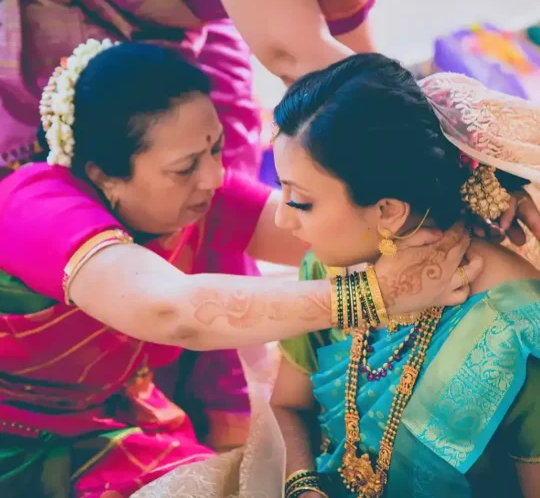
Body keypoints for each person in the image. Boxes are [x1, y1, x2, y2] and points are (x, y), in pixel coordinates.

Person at [0, 40, 482, 498]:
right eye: (186, 166)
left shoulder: (194, 199)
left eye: (215, 149)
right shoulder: (37, 206)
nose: (214, 177)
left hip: (110, 424)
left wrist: (471, 203)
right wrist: (376, 294)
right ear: (104, 176)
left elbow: (338, 227)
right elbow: (170, 310)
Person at [1, 0, 540, 254]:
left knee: (220, 179)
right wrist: (465, 160)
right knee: (101, 203)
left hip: (184, 23)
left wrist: (469, 167)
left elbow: (365, 82)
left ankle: (207, 385)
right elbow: (297, 56)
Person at [263, 55, 540, 497]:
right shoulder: (330, 271)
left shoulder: (523, 329)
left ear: (388, 211)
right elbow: (288, 406)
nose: (281, 219)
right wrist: (303, 486)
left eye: (300, 202)